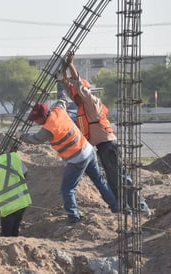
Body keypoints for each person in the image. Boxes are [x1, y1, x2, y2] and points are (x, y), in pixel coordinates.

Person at [60, 51, 151, 216]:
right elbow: (69, 86)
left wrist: (71, 66)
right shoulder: (82, 105)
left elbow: (77, 84)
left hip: (108, 145)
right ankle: (126, 209)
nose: (74, 95)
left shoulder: (90, 100)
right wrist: (64, 69)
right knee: (113, 179)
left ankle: (141, 207)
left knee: (121, 177)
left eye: (77, 92)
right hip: (103, 147)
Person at [18, 88, 118, 223]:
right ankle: (115, 207)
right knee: (99, 181)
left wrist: (21, 136)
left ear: (43, 116)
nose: (36, 122)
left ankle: (73, 217)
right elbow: (62, 98)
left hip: (76, 158)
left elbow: (35, 139)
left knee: (67, 188)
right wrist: (60, 83)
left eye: (36, 119)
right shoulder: (58, 110)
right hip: (88, 150)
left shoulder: (48, 129)